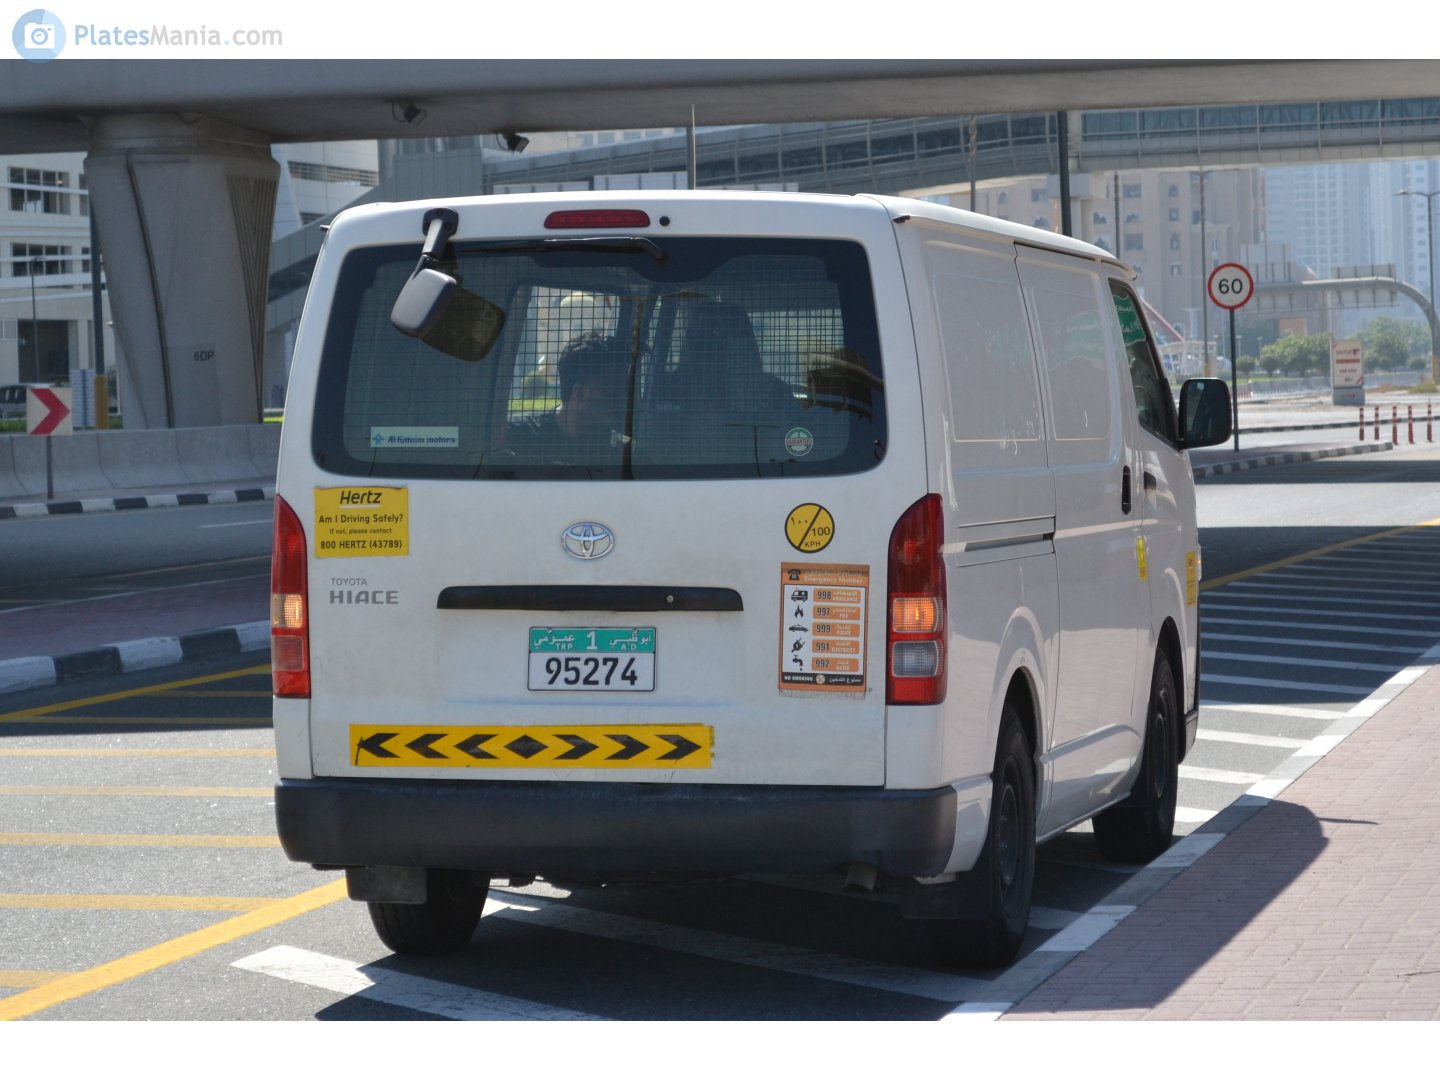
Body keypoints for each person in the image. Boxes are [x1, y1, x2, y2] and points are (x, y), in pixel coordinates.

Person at [507, 332, 631, 465]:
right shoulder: (516, 437)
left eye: (624, 393)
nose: (622, 401)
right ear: (579, 394)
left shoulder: (626, 453)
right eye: (611, 394)